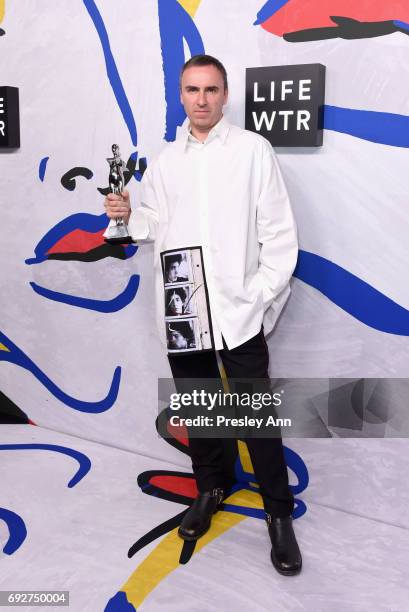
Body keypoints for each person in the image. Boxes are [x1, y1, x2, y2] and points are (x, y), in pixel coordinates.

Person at [103, 54, 302, 575]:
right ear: (182, 94)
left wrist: (257, 294)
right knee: (201, 407)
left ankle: (278, 514)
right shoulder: (167, 160)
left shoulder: (253, 151)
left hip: (239, 310)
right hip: (183, 307)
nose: (202, 100)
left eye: (211, 90)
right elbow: (155, 223)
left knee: (255, 416)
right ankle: (211, 488)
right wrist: (130, 217)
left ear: (225, 94)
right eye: (192, 90)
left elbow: (279, 234)